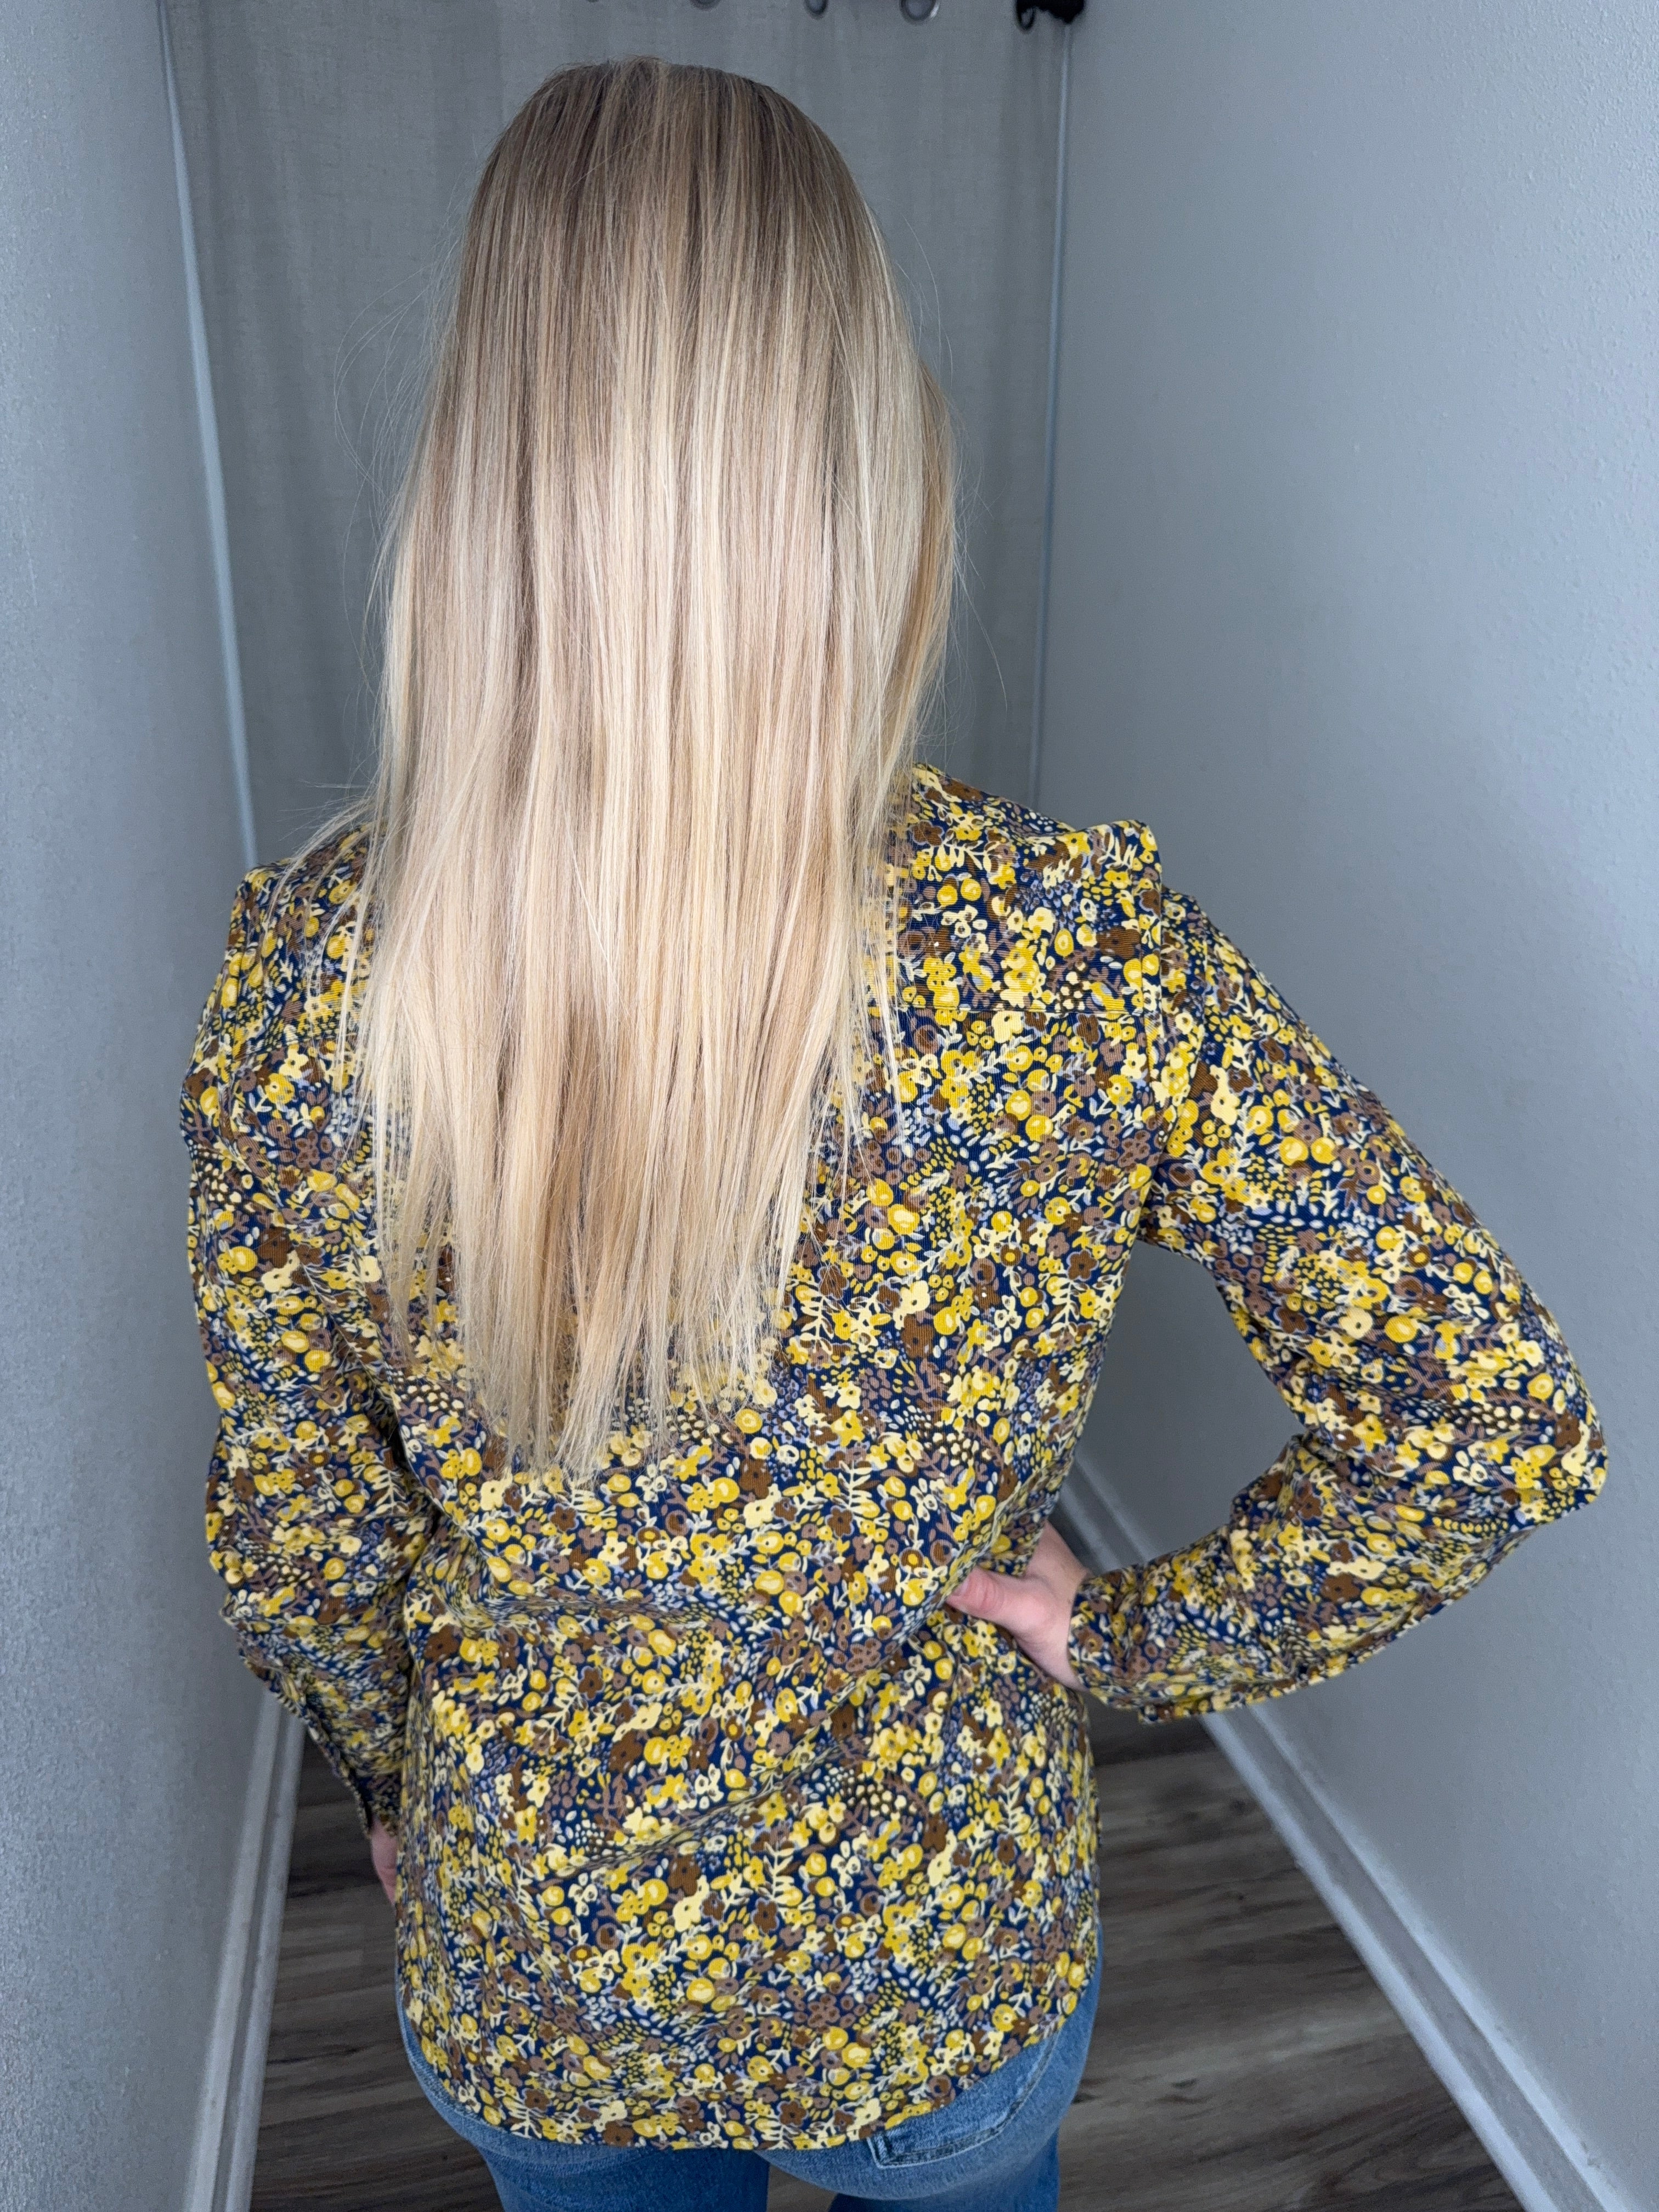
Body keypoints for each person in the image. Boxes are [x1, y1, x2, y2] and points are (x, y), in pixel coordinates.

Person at [181, 56, 1605, 2212]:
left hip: (536, 1944)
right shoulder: (1066, 961)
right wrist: (1134, 1641)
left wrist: (397, 1768)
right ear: (867, 468)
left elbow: (302, 1532)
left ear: (485, 478)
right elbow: (1484, 1419)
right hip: (933, 1959)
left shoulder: (309, 982)